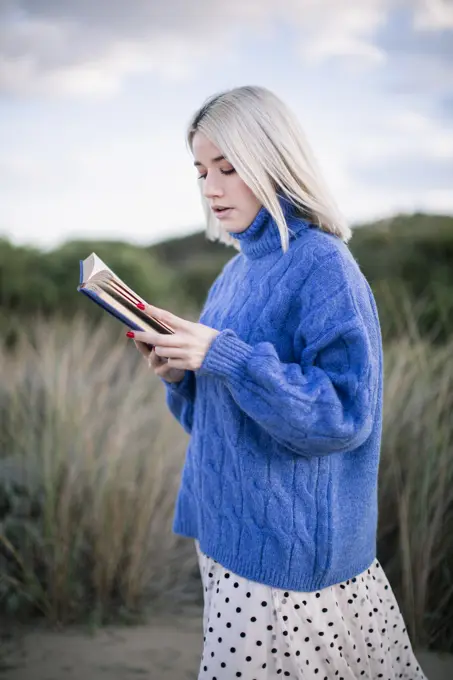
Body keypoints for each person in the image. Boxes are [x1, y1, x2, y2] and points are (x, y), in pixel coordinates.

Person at [126, 86, 427, 680]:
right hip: (224, 538)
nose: (210, 188)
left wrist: (227, 357)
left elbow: (343, 415)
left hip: (287, 561)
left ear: (273, 162)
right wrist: (184, 377)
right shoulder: (236, 271)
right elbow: (216, 419)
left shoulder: (323, 266)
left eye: (228, 168)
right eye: (201, 170)